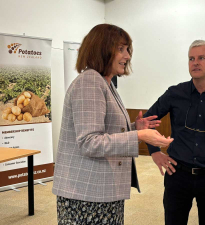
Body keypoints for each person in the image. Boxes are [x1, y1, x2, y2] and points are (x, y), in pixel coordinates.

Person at [52, 24, 173, 225]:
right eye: (121, 49)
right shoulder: (90, 82)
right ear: (102, 49)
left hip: (100, 191)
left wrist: (135, 128)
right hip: (86, 194)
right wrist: (139, 137)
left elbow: (106, 130)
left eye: (128, 50)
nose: (127, 56)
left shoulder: (105, 82)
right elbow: (89, 142)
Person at [143, 40, 205, 225]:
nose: (195, 62)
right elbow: (146, 121)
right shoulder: (175, 93)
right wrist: (154, 153)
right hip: (178, 174)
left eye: (202, 58)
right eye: (191, 59)